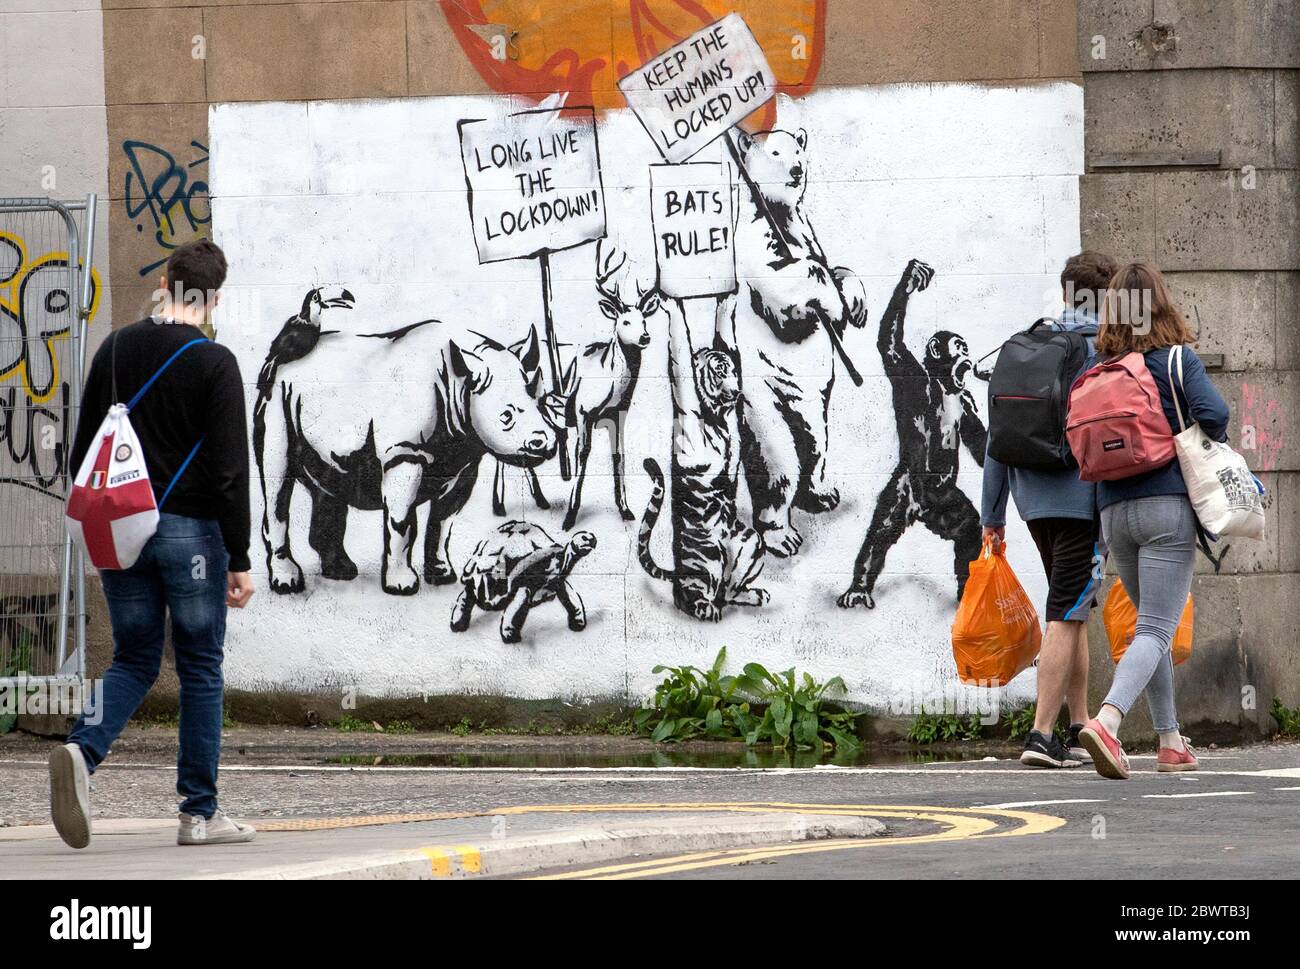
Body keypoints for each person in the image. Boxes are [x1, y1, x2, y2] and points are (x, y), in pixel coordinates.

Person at [50, 239, 257, 848]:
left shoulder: (114, 350)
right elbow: (228, 472)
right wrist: (240, 558)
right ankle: (199, 814)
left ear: (165, 282)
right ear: (214, 298)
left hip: (122, 528)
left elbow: (84, 447)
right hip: (191, 531)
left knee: (134, 659)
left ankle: (80, 751)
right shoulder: (214, 363)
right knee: (199, 666)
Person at [1076, 262, 1229, 779]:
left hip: (1114, 511)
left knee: (1151, 630)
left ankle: (1169, 740)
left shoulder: (1098, 368)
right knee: (1158, 628)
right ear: (1161, 303)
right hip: (1166, 507)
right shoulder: (1176, 361)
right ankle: (1107, 721)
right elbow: (1218, 416)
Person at [982, 250, 1116, 768]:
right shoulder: (1100, 353)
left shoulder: (1024, 345)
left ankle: (1079, 724)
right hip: (1081, 503)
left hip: (1031, 502)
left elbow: (998, 436)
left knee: (1075, 610)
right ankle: (1040, 735)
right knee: (1064, 611)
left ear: (1066, 293)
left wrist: (991, 515)